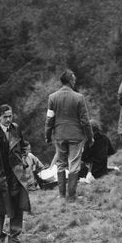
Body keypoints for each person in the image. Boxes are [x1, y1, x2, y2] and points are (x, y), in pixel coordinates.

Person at [0, 104, 31, 243]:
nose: (8, 119)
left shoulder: (15, 128)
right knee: (0, 207)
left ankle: (14, 237)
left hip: (16, 175)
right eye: (5, 117)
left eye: (10, 116)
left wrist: (23, 159)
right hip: (0, 177)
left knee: (17, 204)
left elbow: (23, 146)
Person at [45, 69, 93, 201]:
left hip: (59, 135)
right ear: (71, 81)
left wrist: (48, 135)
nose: (75, 81)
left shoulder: (52, 97)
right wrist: (90, 137)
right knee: (74, 164)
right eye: (74, 79)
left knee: (61, 164)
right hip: (75, 135)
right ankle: (72, 195)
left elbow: (49, 120)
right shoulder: (79, 98)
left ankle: (61, 195)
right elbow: (85, 121)